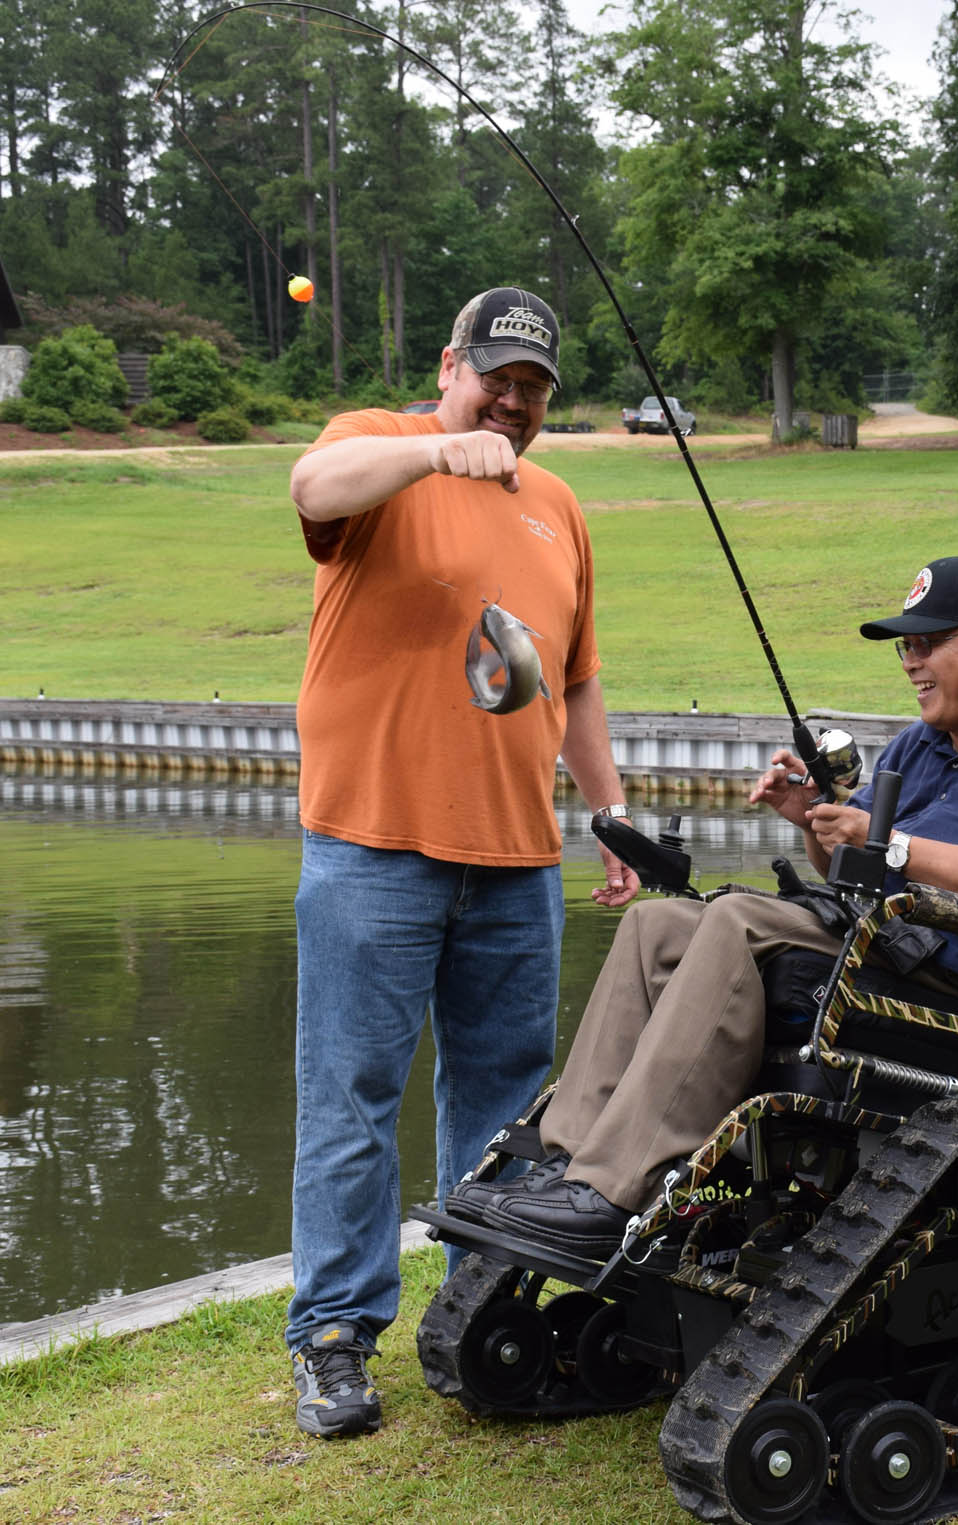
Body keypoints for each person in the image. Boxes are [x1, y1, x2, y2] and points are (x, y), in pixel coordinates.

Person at [459, 554, 958, 1258]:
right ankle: (566, 1164)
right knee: (651, 922)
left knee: (736, 918)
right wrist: (812, 816)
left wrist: (892, 844)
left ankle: (616, 1189)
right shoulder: (920, 745)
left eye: (927, 642)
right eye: (906, 645)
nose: (911, 661)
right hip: (877, 949)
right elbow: (856, 866)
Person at [283, 286, 639, 1438]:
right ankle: (334, 1338)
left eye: (535, 387)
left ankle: (483, 1315)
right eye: (498, 378)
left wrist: (611, 810)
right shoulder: (379, 447)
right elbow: (309, 491)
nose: (516, 402)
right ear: (451, 365)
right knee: (351, 1099)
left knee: (503, 1109)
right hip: (371, 848)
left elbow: (573, 676)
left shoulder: (559, 506)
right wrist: (443, 448)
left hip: (517, 860)